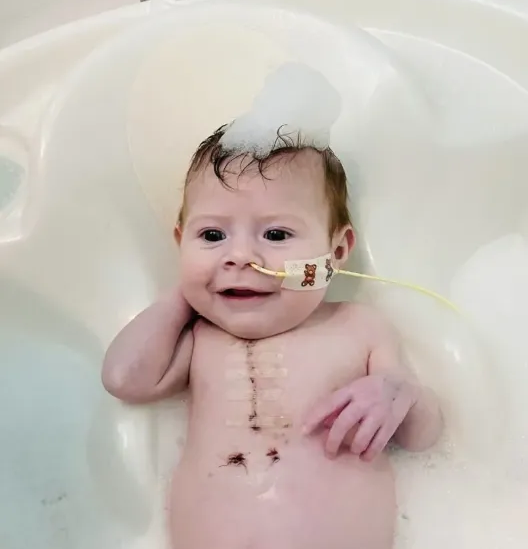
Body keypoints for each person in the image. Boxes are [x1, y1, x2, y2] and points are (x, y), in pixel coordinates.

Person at [102, 124, 443, 549]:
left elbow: (422, 437)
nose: (239, 256)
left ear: (336, 252)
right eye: (212, 236)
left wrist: (399, 392)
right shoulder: (200, 340)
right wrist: (188, 290)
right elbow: (124, 378)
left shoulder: (358, 327)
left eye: (276, 235)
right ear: (180, 243)